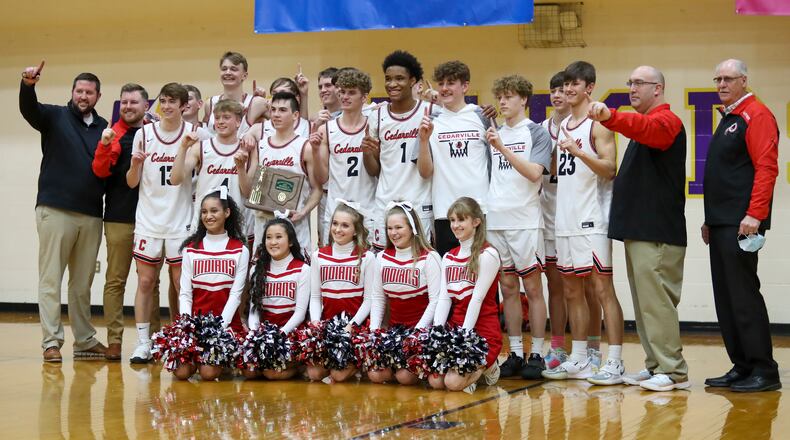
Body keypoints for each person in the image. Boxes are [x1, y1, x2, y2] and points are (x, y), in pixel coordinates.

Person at [587, 65, 690, 391]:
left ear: (657, 89)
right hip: (641, 231)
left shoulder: (666, 122)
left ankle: (673, 371)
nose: (632, 88)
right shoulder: (646, 126)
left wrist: (610, 117)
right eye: (629, 82)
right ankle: (655, 364)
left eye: (639, 83)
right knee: (646, 302)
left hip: (657, 232)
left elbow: (645, 129)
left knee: (657, 301)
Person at [542, 61, 625, 385]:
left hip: (593, 219)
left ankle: (615, 360)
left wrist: (579, 152)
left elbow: (609, 168)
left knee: (603, 290)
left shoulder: (597, 123)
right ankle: (578, 358)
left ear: (589, 87)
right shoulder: (564, 126)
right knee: (571, 290)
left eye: (574, 84)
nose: (568, 90)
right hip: (565, 218)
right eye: (564, 85)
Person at [19, 62, 108, 362]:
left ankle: (84, 340)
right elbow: (29, 110)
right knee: (51, 279)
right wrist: (27, 85)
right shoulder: (54, 116)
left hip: (92, 214)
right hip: (55, 210)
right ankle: (51, 342)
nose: (83, 96)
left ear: (98, 96)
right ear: (72, 93)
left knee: (82, 284)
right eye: (79, 91)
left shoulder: (104, 127)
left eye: (89, 92)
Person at [702, 59, 780, 392]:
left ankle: (764, 369)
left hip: (742, 223)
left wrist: (755, 215)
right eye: (717, 78)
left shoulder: (756, 114)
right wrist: (710, 219)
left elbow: (766, 169)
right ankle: (743, 364)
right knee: (726, 297)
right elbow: (726, 175)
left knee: (743, 295)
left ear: (744, 80)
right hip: (722, 222)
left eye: (728, 78)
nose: (721, 84)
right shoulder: (730, 117)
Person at [126, 82, 210, 363]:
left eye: (173, 101)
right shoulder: (145, 133)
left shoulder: (195, 134)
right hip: (149, 218)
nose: (168, 105)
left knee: (180, 283)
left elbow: (185, 177)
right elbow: (131, 182)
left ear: (185, 105)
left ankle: (183, 339)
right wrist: (135, 165)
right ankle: (142, 342)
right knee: (146, 281)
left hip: (181, 220)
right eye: (163, 100)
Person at [485, 75, 552, 379]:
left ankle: (537, 352)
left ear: (524, 99)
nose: (503, 102)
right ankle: (513, 352)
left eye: (509, 96)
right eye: (500, 96)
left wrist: (502, 148)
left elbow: (534, 174)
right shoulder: (494, 132)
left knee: (534, 288)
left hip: (525, 221)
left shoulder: (536, 133)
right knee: (508, 288)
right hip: (496, 219)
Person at [92, 83, 160, 361]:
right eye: (124, 103)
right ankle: (115, 340)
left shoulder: (155, 134)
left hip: (153, 219)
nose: (128, 107)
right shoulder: (112, 133)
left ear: (146, 106)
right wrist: (105, 145)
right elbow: (99, 170)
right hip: (120, 217)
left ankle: (155, 340)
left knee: (150, 282)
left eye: (134, 102)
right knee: (115, 280)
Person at [416, 60, 491, 255]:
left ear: (465, 86)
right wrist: (423, 141)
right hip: (445, 212)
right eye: (441, 83)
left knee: (483, 270)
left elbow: (496, 163)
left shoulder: (481, 116)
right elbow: (425, 172)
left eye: (451, 83)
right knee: (450, 275)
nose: (444, 88)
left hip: (479, 209)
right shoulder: (431, 120)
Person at [237, 91, 323, 257]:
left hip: (295, 227)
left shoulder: (305, 147)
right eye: (273, 110)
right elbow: (248, 193)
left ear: (295, 115)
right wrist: (241, 168)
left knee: (295, 280)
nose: (276, 114)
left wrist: (304, 212)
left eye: (282, 110)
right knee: (264, 280)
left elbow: (317, 189)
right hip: (264, 228)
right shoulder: (260, 147)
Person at [174, 188, 248, 381]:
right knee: (181, 372)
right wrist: (186, 326)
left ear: (227, 212)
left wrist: (218, 329)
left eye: (214, 211)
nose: (208, 216)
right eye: (204, 212)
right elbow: (185, 294)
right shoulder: (191, 249)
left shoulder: (239, 249)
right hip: (196, 324)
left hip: (225, 325)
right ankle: (202, 359)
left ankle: (216, 362)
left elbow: (236, 295)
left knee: (208, 373)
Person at [364, 50, 435, 251]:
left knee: (420, 263)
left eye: (399, 78)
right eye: (388, 79)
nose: (392, 84)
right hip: (385, 202)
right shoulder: (377, 117)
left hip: (419, 201)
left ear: (413, 80)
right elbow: (374, 170)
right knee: (384, 264)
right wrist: (367, 152)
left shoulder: (429, 112)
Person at [430, 197, 502, 392]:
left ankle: (488, 368)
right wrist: (437, 332)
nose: (455, 225)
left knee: (452, 383)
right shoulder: (449, 256)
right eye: (452, 220)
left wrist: (464, 338)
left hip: (482, 331)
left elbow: (477, 299)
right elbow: (444, 298)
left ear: (476, 222)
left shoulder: (488, 255)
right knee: (435, 381)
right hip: (456, 328)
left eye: (461, 220)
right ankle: (473, 372)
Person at [368, 201, 441, 384]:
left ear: (412, 228)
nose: (394, 233)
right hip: (394, 333)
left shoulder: (429, 257)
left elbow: (436, 301)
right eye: (390, 228)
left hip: (421, 331)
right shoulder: (382, 258)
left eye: (399, 227)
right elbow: (377, 298)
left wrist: (416, 334)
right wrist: (374, 333)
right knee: (375, 374)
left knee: (404, 377)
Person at [307, 201, 376, 382]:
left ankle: (357, 364)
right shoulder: (318, 256)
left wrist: (351, 326)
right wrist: (316, 324)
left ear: (356, 230)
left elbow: (369, 300)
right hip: (328, 326)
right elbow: (315, 297)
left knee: (338, 375)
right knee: (314, 374)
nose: (338, 229)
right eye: (335, 224)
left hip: (354, 328)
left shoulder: (366, 257)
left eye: (345, 225)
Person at [311, 68, 378, 245]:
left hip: (367, 209)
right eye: (342, 92)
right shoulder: (326, 129)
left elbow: (376, 171)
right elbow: (322, 177)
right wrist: (316, 151)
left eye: (351, 92)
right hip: (335, 211)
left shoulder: (374, 126)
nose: (345, 97)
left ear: (364, 97)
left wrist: (369, 152)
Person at [247, 218, 310, 380]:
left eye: (278, 237)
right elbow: (254, 310)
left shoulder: (302, 270)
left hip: (290, 333)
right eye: (268, 237)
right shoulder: (257, 269)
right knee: (248, 371)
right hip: (265, 333)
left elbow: (300, 314)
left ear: (290, 242)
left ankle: (299, 366)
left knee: (271, 373)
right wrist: (256, 335)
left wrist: (280, 335)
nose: (273, 242)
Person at [170, 99, 245, 232]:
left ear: (238, 122)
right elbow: (175, 180)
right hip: (204, 222)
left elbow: (250, 193)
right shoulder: (200, 147)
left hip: (235, 223)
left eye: (226, 117)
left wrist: (240, 168)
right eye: (217, 118)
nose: (220, 121)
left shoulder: (246, 149)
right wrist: (182, 148)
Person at [540, 72, 569, 370]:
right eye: (553, 90)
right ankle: (558, 347)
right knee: (556, 286)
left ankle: (591, 351)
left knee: (586, 288)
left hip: (578, 215)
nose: (558, 95)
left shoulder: (588, 125)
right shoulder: (539, 130)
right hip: (548, 216)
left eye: (562, 89)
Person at [202, 51, 268, 135]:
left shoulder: (257, 102)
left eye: (233, 69)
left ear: (244, 75)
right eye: (224, 69)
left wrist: (255, 129)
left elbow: (280, 125)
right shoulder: (210, 103)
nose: (228, 72)